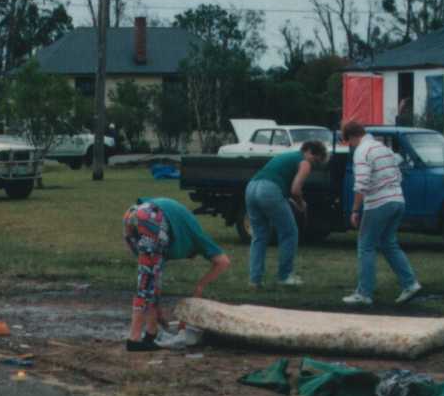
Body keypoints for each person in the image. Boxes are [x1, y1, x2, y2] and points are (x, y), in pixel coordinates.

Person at [121, 197, 232, 352]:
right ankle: (134, 339)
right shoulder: (198, 238)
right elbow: (223, 261)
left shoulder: (168, 239)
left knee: (148, 279)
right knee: (146, 282)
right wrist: (200, 286)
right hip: (152, 217)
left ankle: (150, 335)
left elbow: (155, 281)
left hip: (132, 215)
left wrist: (158, 310)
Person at [339, 122, 420, 306]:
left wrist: (354, 210)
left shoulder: (362, 151)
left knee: (365, 246)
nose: (350, 146)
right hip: (398, 200)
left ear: (352, 137)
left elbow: (361, 184)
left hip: (378, 203)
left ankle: (364, 293)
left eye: (348, 142)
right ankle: (410, 283)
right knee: (388, 243)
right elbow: (398, 175)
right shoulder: (383, 148)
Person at [244, 140, 327, 288]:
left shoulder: (286, 156)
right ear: (308, 152)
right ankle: (285, 276)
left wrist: (292, 200)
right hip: (269, 191)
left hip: (251, 188)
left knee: (259, 236)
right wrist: (301, 204)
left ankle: (254, 280)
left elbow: (281, 181)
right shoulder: (304, 162)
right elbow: (295, 190)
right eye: (316, 160)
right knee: (289, 233)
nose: (313, 165)